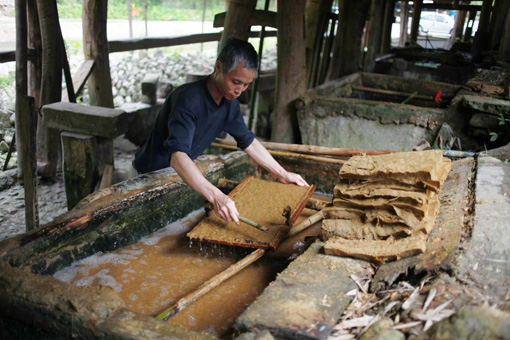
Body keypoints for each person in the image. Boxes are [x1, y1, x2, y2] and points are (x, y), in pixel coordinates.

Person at [132, 37, 308, 225]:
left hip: (178, 176)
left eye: (246, 84)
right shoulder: (188, 101)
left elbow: (248, 141)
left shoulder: (229, 103)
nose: (239, 90)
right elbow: (178, 157)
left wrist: (282, 174)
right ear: (218, 67)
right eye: (236, 82)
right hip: (146, 178)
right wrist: (217, 196)